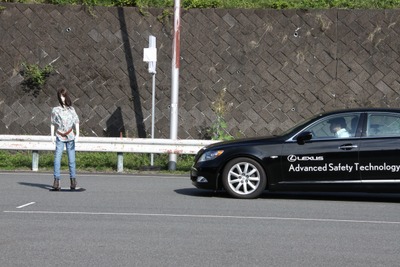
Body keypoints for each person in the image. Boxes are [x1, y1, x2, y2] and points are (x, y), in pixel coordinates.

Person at [50, 88, 80, 191]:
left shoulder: (71, 109)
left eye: (64, 96)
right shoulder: (55, 110)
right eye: (60, 96)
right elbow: (53, 123)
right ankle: (56, 180)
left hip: (70, 136)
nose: (62, 98)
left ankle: (73, 180)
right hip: (59, 136)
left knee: (71, 160)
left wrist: (78, 134)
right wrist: (51, 136)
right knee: (57, 159)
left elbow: (76, 121)